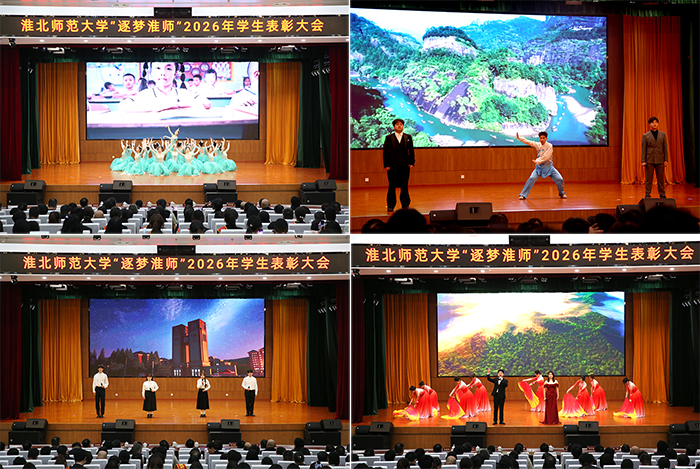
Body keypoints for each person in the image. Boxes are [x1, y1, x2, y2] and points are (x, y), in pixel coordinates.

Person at [119, 62, 211, 113]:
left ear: (175, 73)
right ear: (151, 72)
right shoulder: (145, 94)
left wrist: (176, 105)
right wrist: (155, 107)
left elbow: (207, 103)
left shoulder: (183, 93)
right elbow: (122, 105)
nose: (163, 73)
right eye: (158, 68)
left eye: (168, 69)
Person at [516, 131, 566, 200]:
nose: (542, 139)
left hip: (549, 167)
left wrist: (538, 161)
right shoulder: (538, 144)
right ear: (539, 138)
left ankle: (562, 193)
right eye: (540, 138)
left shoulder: (549, 146)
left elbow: (547, 156)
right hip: (539, 168)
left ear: (546, 138)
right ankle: (523, 194)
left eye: (543, 138)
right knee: (531, 178)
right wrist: (520, 138)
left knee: (560, 179)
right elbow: (528, 142)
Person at [383, 118, 415, 212]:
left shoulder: (408, 137)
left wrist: (411, 163)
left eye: (401, 124)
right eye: (397, 124)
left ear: (403, 126)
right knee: (391, 186)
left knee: (404, 186)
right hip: (392, 166)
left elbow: (411, 151)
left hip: (405, 165)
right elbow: (385, 152)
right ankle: (390, 205)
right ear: (394, 127)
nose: (399, 126)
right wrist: (386, 165)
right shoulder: (389, 138)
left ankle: (405, 205)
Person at [641, 116, 668, 198]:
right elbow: (643, 149)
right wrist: (643, 161)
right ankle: (647, 194)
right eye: (652, 123)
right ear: (650, 124)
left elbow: (665, 148)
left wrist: (666, 160)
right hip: (649, 159)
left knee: (661, 179)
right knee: (648, 179)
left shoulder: (662, 135)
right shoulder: (646, 136)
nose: (654, 124)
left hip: (660, 159)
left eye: (656, 122)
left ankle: (662, 194)